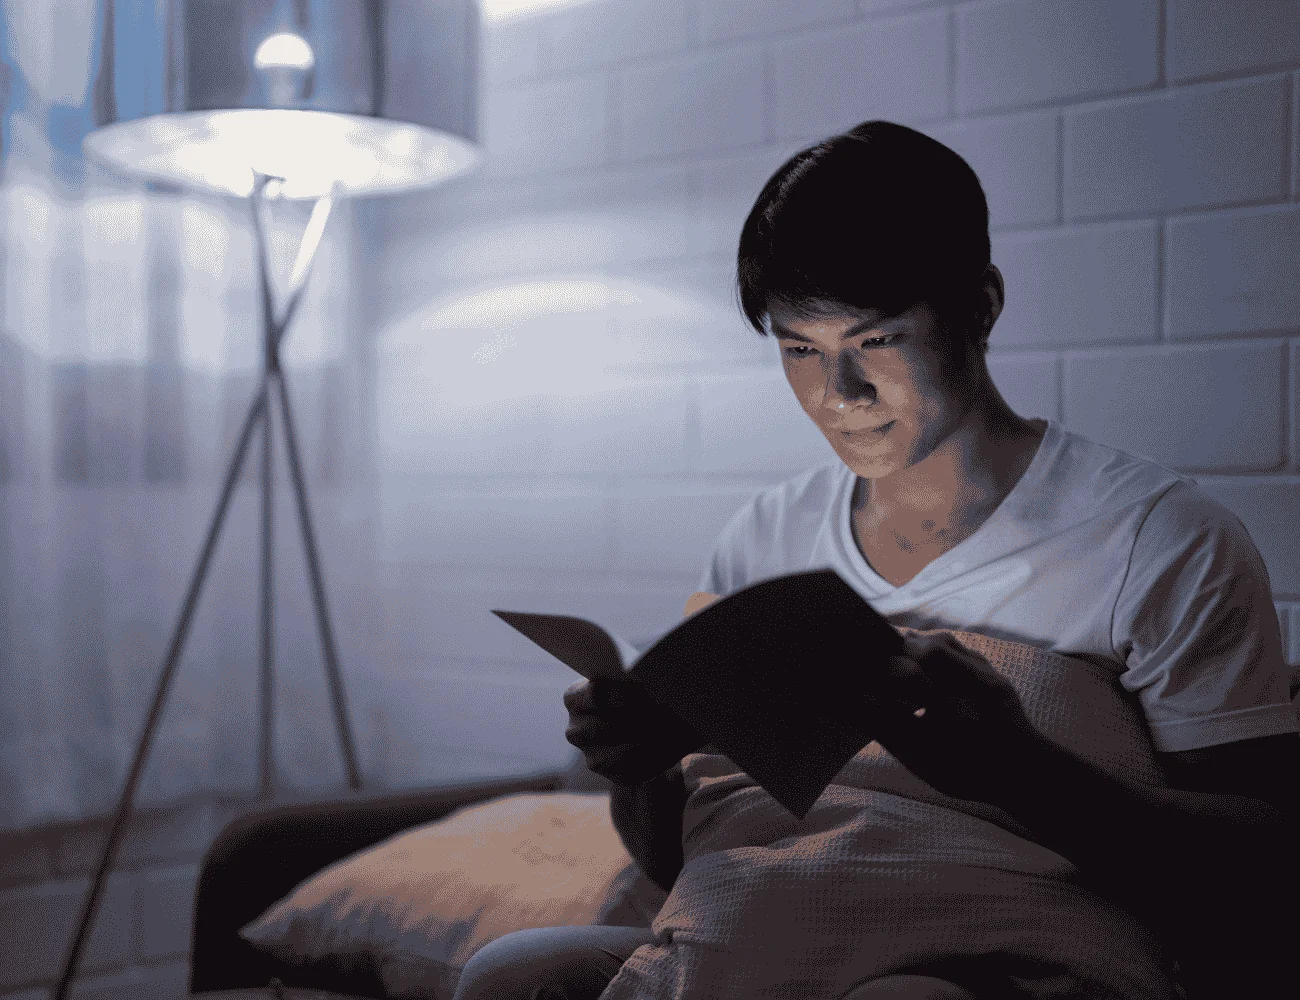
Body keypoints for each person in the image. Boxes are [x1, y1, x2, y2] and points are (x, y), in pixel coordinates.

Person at [451, 120, 1299, 1000]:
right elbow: (682, 859)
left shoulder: (1157, 539)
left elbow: (1263, 868)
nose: (838, 396)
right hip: (765, 931)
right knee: (511, 977)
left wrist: (1023, 772)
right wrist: (641, 769)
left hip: (1005, 954)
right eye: (799, 350)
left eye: (877, 341)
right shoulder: (765, 539)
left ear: (981, 306)